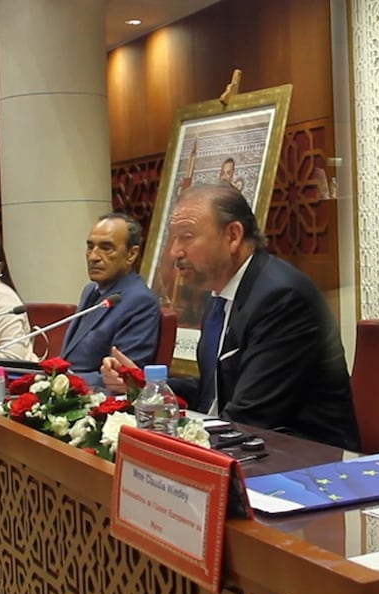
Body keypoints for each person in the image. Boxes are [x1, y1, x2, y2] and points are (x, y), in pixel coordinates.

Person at [100, 185, 360, 450]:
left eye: (186, 237)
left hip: (307, 464)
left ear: (233, 235)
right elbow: (214, 389)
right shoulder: (220, 296)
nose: (174, 252)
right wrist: (146, 385)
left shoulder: (282, 298)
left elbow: (251, 416)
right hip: (250, 449)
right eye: (173, 239)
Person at [56, 213, 161, 387]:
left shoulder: (139, 301)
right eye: (90, 247)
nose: (93, 257)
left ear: (131, 254)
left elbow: (122, 376)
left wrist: (61, 381)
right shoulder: (91, 290)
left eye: (106, 248)